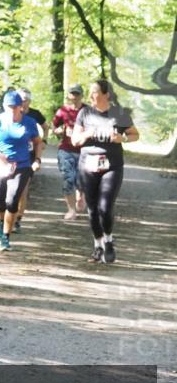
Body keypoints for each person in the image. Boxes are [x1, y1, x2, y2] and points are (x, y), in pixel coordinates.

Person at [71, 79, 139, 263]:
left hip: (112, 165)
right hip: (88, 165)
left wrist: (121, 138)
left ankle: (108, 241)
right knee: (92, 210)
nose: (92, 95)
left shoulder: (119, 113)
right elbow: (74, 140)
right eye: (91, 92)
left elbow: (135, 134)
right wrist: (87, 134)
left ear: (106, 94)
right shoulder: (84, 112)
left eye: (95, 92)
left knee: (105, 206)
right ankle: (97, 246)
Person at [0, 90, 44, 252]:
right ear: (4, 106)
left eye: (15, 107)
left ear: (21, 107)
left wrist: (37, 160)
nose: (11, 110)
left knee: (12, 201)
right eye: (8, 107)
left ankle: (5, 238)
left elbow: (38, 142)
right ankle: (2, 221)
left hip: (22, 165)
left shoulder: (30, 123)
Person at [12, 88, 48, 232]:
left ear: (30, 100)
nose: (24, 101)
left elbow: (46, 127)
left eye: (26, 99)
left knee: (23, 189)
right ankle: (8, 216)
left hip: (30, 155)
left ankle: (17, 219)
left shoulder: (35, 114)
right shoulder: (11, 114)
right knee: (11, 188)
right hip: (13, 155)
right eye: (21, 99)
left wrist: (43, 140)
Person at [51, 84, 87, 220]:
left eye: (77, 94)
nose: (75, 97)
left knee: (81, 180)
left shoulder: (88, 111)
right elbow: (53, 126)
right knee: (68, 179)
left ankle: (81, 195)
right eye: (72, 94)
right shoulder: (63, 111)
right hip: (66, 149)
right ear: (68, 96)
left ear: (82, 95)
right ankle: (71, 210)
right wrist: (58, 131)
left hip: (84, 151)